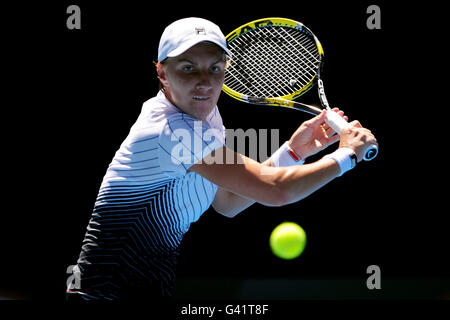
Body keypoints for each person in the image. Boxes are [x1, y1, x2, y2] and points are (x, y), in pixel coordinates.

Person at [66, 17, 377, 302]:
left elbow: (227, 202)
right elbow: (277, 191)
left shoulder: (208, 118)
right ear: (162, 73)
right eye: (188, 68)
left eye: (215, 68)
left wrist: (294, 153)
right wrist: (346, 155)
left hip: (149, 290)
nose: (205, 82)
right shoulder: (171, 129)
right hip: (104, 292)